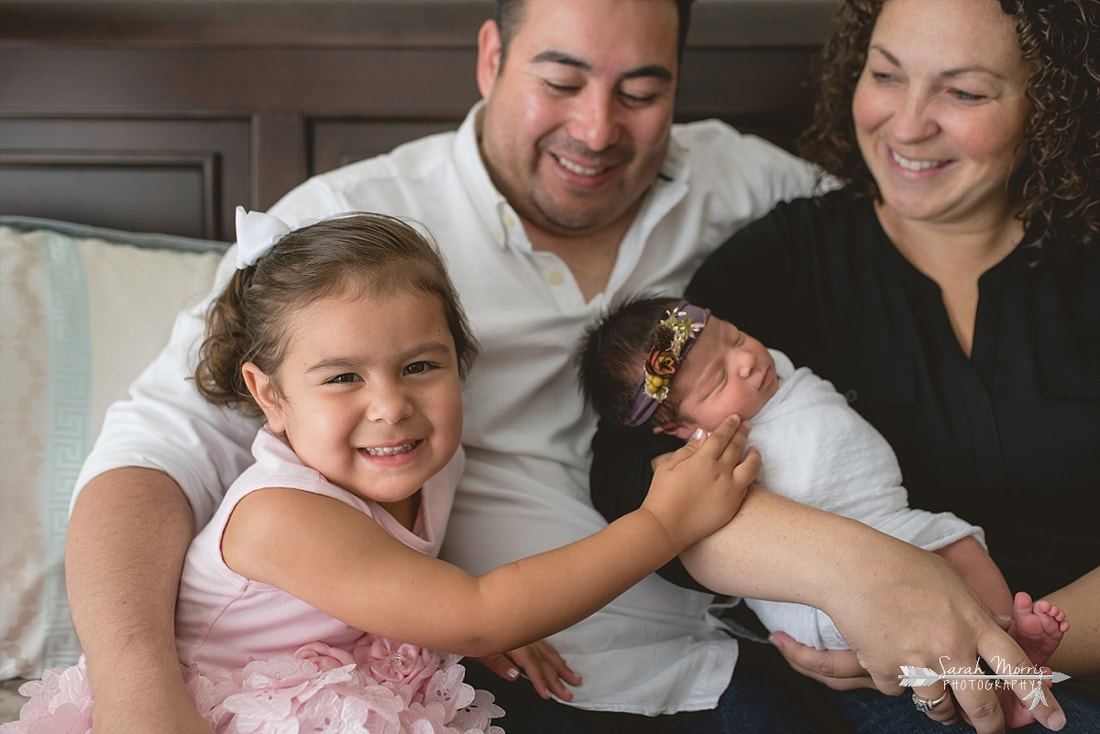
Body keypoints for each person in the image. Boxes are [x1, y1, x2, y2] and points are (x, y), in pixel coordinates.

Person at [64, 1, 1071, 732]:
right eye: (559, 81)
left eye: (641, 91)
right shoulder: (351, 227)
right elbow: (155, 447)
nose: (597, 130)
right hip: (519, 678)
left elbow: (906, 226)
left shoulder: (748, 193)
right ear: (491, 55)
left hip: (733, 662)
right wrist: (139, 681)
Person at [5, 210, 752, 734]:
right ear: (271, 396)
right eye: (342, 379)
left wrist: (438, 622)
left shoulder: (431, 458)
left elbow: (429, 595)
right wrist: (662, 524)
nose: (391, 407)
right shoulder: (280, 515)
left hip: (347, 683)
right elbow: (482, 605)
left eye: (420, 366)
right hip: (225, 713)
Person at [589, 0, 1100, 730]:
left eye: (965, 91)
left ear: (1050, 101)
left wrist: (1010, 654)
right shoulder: (786, 264)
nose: (909, 123)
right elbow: (627, 472)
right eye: (887, 75)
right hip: (889, 697)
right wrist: (858, 572)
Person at [578, 295, 1066, 664]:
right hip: (819, 588)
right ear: (678, 428)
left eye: (733, 337)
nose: (746, 361)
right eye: (716, 382)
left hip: (890, 519)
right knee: (909, 620)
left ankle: (1009, 642)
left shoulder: (777, 368)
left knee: (961, 545)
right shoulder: (707, 453)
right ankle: (979, 672)